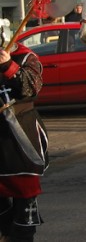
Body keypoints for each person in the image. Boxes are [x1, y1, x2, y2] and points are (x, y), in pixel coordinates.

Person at [0, 42, 48, 241]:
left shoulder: (25, 56)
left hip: (20, 139)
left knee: (24, 203)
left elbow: (33, 87)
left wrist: (8, 64)